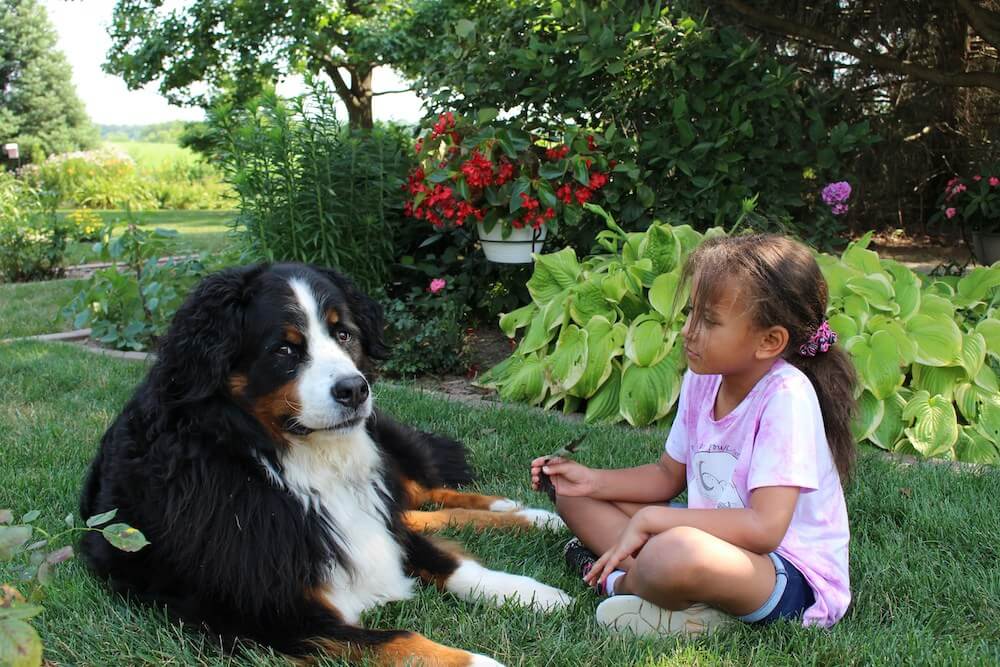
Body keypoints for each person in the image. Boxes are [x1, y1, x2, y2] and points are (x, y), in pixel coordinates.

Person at [530, 234, 858, 636]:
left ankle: (616, 582)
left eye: (709, 321)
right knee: (574, 497)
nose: (688, 331)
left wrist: (655, 521)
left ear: (769, 341)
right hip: (716, 543)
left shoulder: (786, 396)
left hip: (785, 574)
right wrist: (591, 480)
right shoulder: (703, 380)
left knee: (673, 550)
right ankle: (688, 603)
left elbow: (764, 528)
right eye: (690, 313)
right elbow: (667, 476)